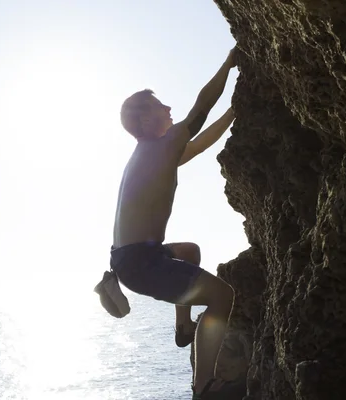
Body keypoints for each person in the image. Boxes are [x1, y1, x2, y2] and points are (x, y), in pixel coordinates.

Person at [110, 48, 240, 399]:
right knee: (222, 297)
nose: (168, 110)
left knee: (190, 252)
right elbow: (200, 108)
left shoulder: (154, 154)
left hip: (132, 256)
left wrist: (235, 110)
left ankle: (184, 328)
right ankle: (204, 388)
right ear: (144, 121)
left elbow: (197, 146)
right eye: (160, 106)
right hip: (140, 263)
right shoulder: (157, 148)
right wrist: (228, 65)